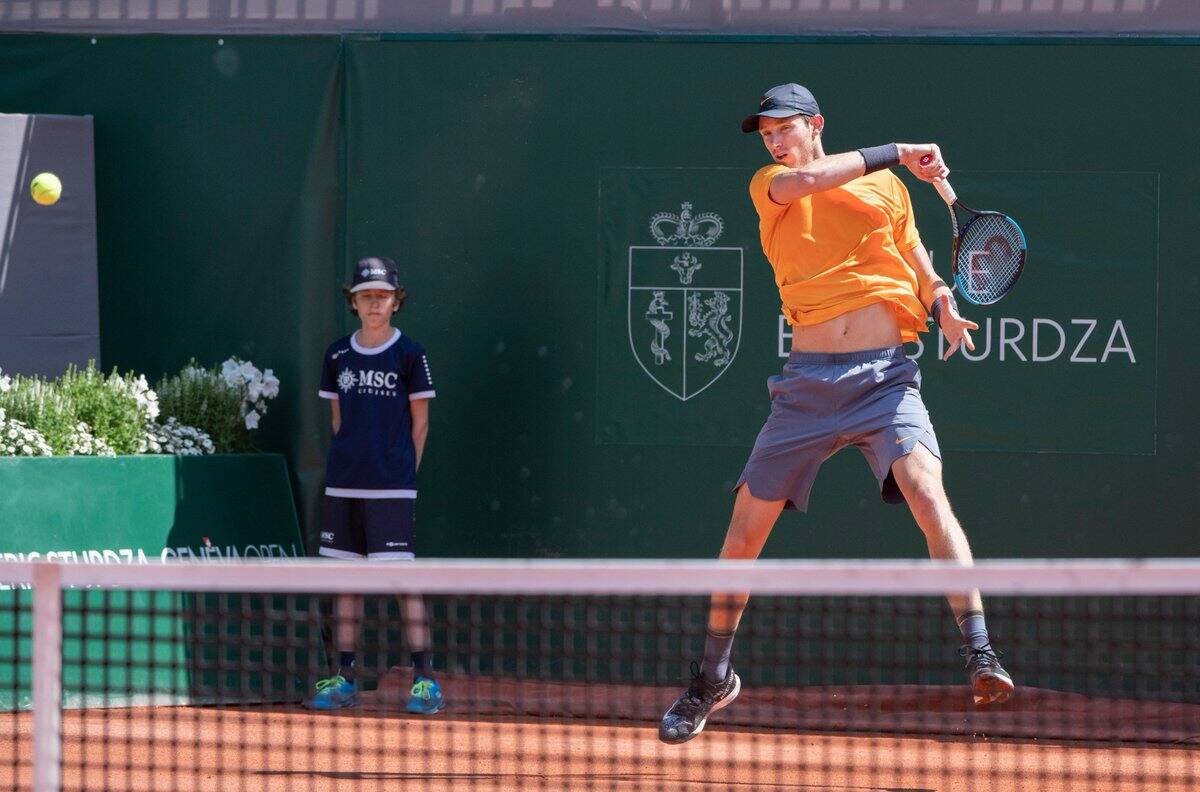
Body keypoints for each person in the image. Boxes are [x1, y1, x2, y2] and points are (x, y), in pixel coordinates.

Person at [658, 83, 1014, 745]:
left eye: (784, 129)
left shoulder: (891, 193)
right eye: (766, 133)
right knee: (741, 540)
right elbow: (817, 176)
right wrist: (898, 150)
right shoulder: (772, 184)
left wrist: (943, 306)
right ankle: (711, 677)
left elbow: (923, 267)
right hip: (808, 389)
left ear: (814, 123)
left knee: (929, 493)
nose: (774, 141)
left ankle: (980, 653)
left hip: (886, 380)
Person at [305, 255, 444, 715]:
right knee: (347, 583)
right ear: (354, 301)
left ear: (396, 302)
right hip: (344, 486)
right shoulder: (337, 354)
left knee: (405, 581)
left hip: (393, 488)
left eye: (382, 296)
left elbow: (419, 425)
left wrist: (402, 474)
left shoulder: (411, 354)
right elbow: (338, 420)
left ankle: (425, 680)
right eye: (366, 296)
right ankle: (344, 677)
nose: (374, 304)